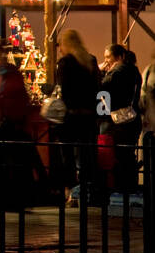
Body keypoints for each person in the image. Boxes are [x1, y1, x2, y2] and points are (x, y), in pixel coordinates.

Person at [0, 46, 33, 208]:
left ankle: (0, 198)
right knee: (17, 161)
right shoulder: (14, 73)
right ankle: (19, 197)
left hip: (1, 121)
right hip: (17, 121)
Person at [55, 28, 99, 206]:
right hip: (88, 116)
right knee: (87, 154)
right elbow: (98, 88)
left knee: (68, 156)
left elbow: (64, 91)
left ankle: (71, 194)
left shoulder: (65, 62)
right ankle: (88, 191)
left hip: (71, 116)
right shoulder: (90, 61)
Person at [99, 43, 142, 195]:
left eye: (108, 57)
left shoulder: (118, 71)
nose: (106, 61)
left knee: (121, 156)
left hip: (121, 122)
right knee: (128, 155)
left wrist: (100, 72)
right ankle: (130, 188)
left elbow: (101, 88)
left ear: (119, 57)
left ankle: (123, 190)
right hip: (133, 118)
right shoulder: (134, 70)